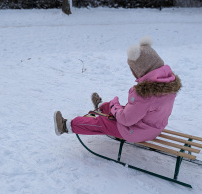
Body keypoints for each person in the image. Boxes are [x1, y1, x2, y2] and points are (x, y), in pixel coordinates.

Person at [54, 36, 182, 142]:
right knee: (122, 108)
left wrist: (114, 103)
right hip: (153, 128)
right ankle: (102, 106)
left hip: (135, 131)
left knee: (102, 122)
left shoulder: (145, 95)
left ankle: (65, 126)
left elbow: (126, 119)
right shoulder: (168, 84)